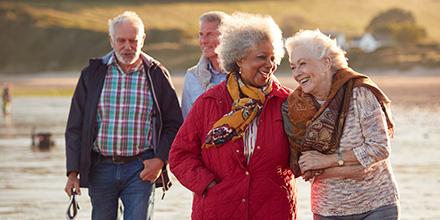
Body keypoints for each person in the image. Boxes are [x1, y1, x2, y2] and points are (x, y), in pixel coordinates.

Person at [169, 12, 297, 220]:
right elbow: (180, 155)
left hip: (272, 210)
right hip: (218, 209)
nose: (270, 65)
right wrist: (207, 184)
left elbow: (304, 154)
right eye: (261, 57)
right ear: (239, 59)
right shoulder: (209, 102)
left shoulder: (287, 102)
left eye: (273, 58)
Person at [64, 11, 183, 220]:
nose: (127, 46)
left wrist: (160, 160)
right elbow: (75, 126)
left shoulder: (156, 74)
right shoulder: (92, 74)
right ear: (111, 40)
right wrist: (72, 173)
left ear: (143, 40)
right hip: (100, 168)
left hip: (142, 168)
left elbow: (174, 124)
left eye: (133, 40)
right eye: (121, 40)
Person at [282, 29, 399, 220]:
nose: (297, 73)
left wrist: (327, 161)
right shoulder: (296, 106)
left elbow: (379, 148)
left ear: (326, 62)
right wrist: (354, 167)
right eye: (293, 66)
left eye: (303, 64)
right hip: (328, 210)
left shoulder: (360, 93)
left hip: (376, 206)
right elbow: (305, 167)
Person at [181, 11, 229, 118]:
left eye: (209, 34)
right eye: (201, 35)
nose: (203, 41)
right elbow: (186, 123)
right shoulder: (192, 76)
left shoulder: (245, 74)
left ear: (226, 37)